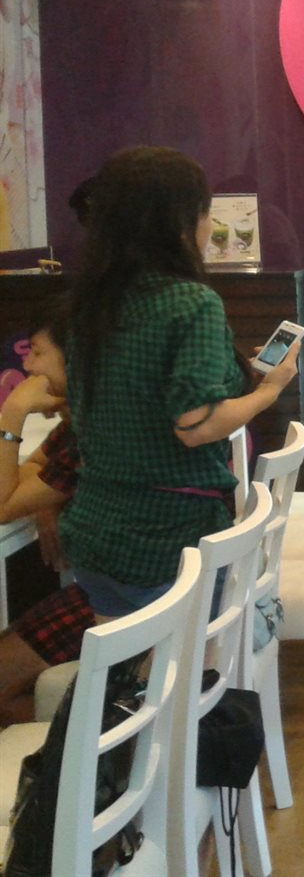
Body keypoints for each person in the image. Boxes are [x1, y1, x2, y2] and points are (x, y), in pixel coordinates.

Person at [62, 146, 300, 619]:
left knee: (130, 661)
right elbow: (196, 424)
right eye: (206, 212)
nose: (209, 225)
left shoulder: (89, 303)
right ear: (180, 221)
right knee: (209, 658)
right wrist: (269, 391)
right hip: (171, 541)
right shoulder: (190, 302)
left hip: (94, 531)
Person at [0, 309, 88, 724]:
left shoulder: (90, 430)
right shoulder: (82, 420)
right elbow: (32, 471)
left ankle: (105, 746)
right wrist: (46, 500)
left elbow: (3, 507)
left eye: (37, 353)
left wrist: (13, 412)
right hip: (130, 587)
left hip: (120, 599)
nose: (26, 364)